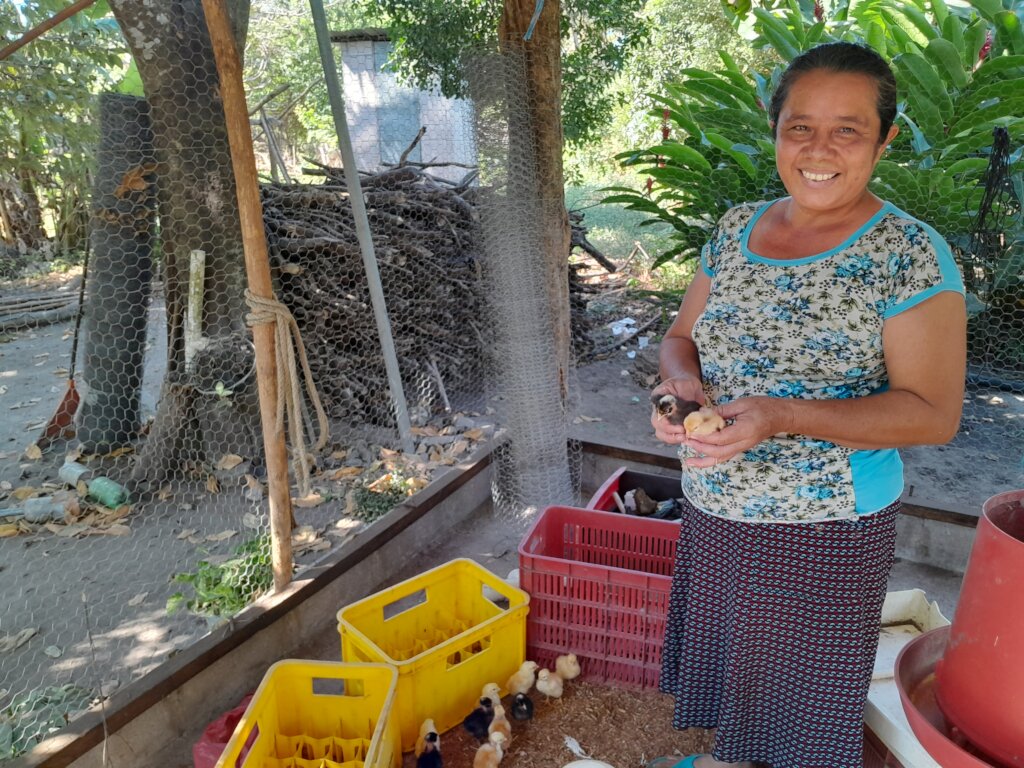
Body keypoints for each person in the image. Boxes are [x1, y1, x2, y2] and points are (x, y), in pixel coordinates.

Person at [648, 42, 966, 768]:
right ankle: (735, 758)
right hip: (716, 498)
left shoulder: (908, 255)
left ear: (885, 139)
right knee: (738, 670)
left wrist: (782, 415)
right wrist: (676, 392)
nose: (819, 149)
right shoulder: (734, 230)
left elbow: (932, 412)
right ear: (776, 131)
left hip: (823, 524)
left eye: (847, 130)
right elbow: (679, 339)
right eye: (800, 127)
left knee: (801, 701)